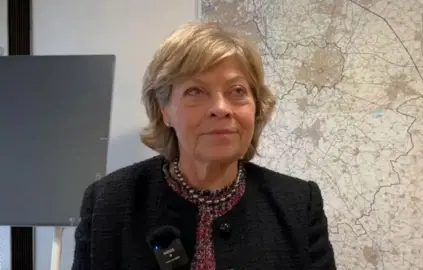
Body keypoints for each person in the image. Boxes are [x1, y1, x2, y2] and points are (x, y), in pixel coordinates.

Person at [72, 21, 336, 270]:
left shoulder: (299, 205)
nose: (221, 108)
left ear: (256, 107)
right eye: (195, 92)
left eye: (237, 91)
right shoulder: (107, 205)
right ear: (165, 111)